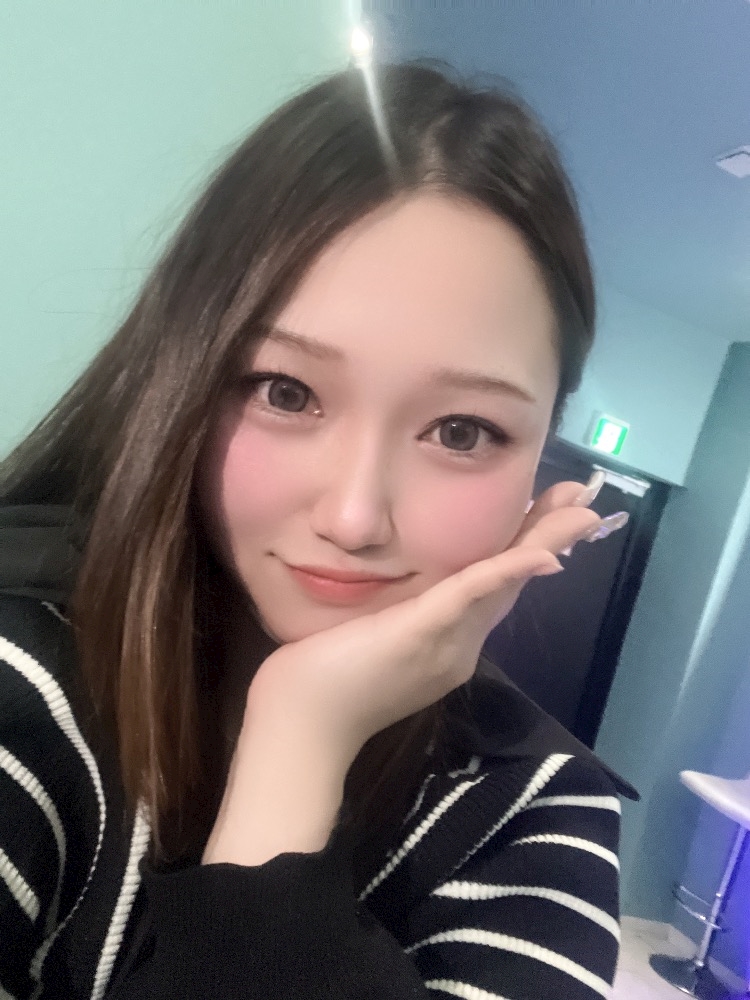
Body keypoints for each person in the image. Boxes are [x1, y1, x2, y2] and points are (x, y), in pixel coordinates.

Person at [0, 61, 637, 999]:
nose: (353, 517)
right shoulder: (23, 682)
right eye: (286, 392)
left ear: (543, 467)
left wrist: (298, 743)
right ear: (186, 374)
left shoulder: (536, 811)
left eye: (462, 431)